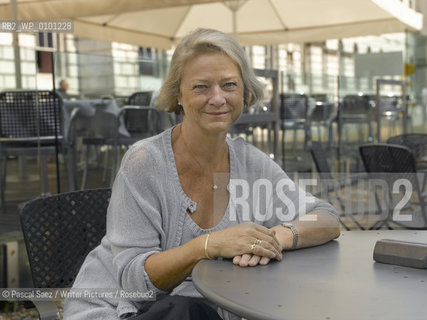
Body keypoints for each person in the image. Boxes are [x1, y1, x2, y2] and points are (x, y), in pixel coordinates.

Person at [64, 28, 340, 320]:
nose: (218, 98)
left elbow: (326, 218)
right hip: (119, 310)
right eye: (201, 87)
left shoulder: (252, 163)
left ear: (245, 93)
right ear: (177, 95)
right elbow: (134, 284)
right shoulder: (145, 162)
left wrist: (278, 237)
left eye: (229, 85)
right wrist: (209, 245)